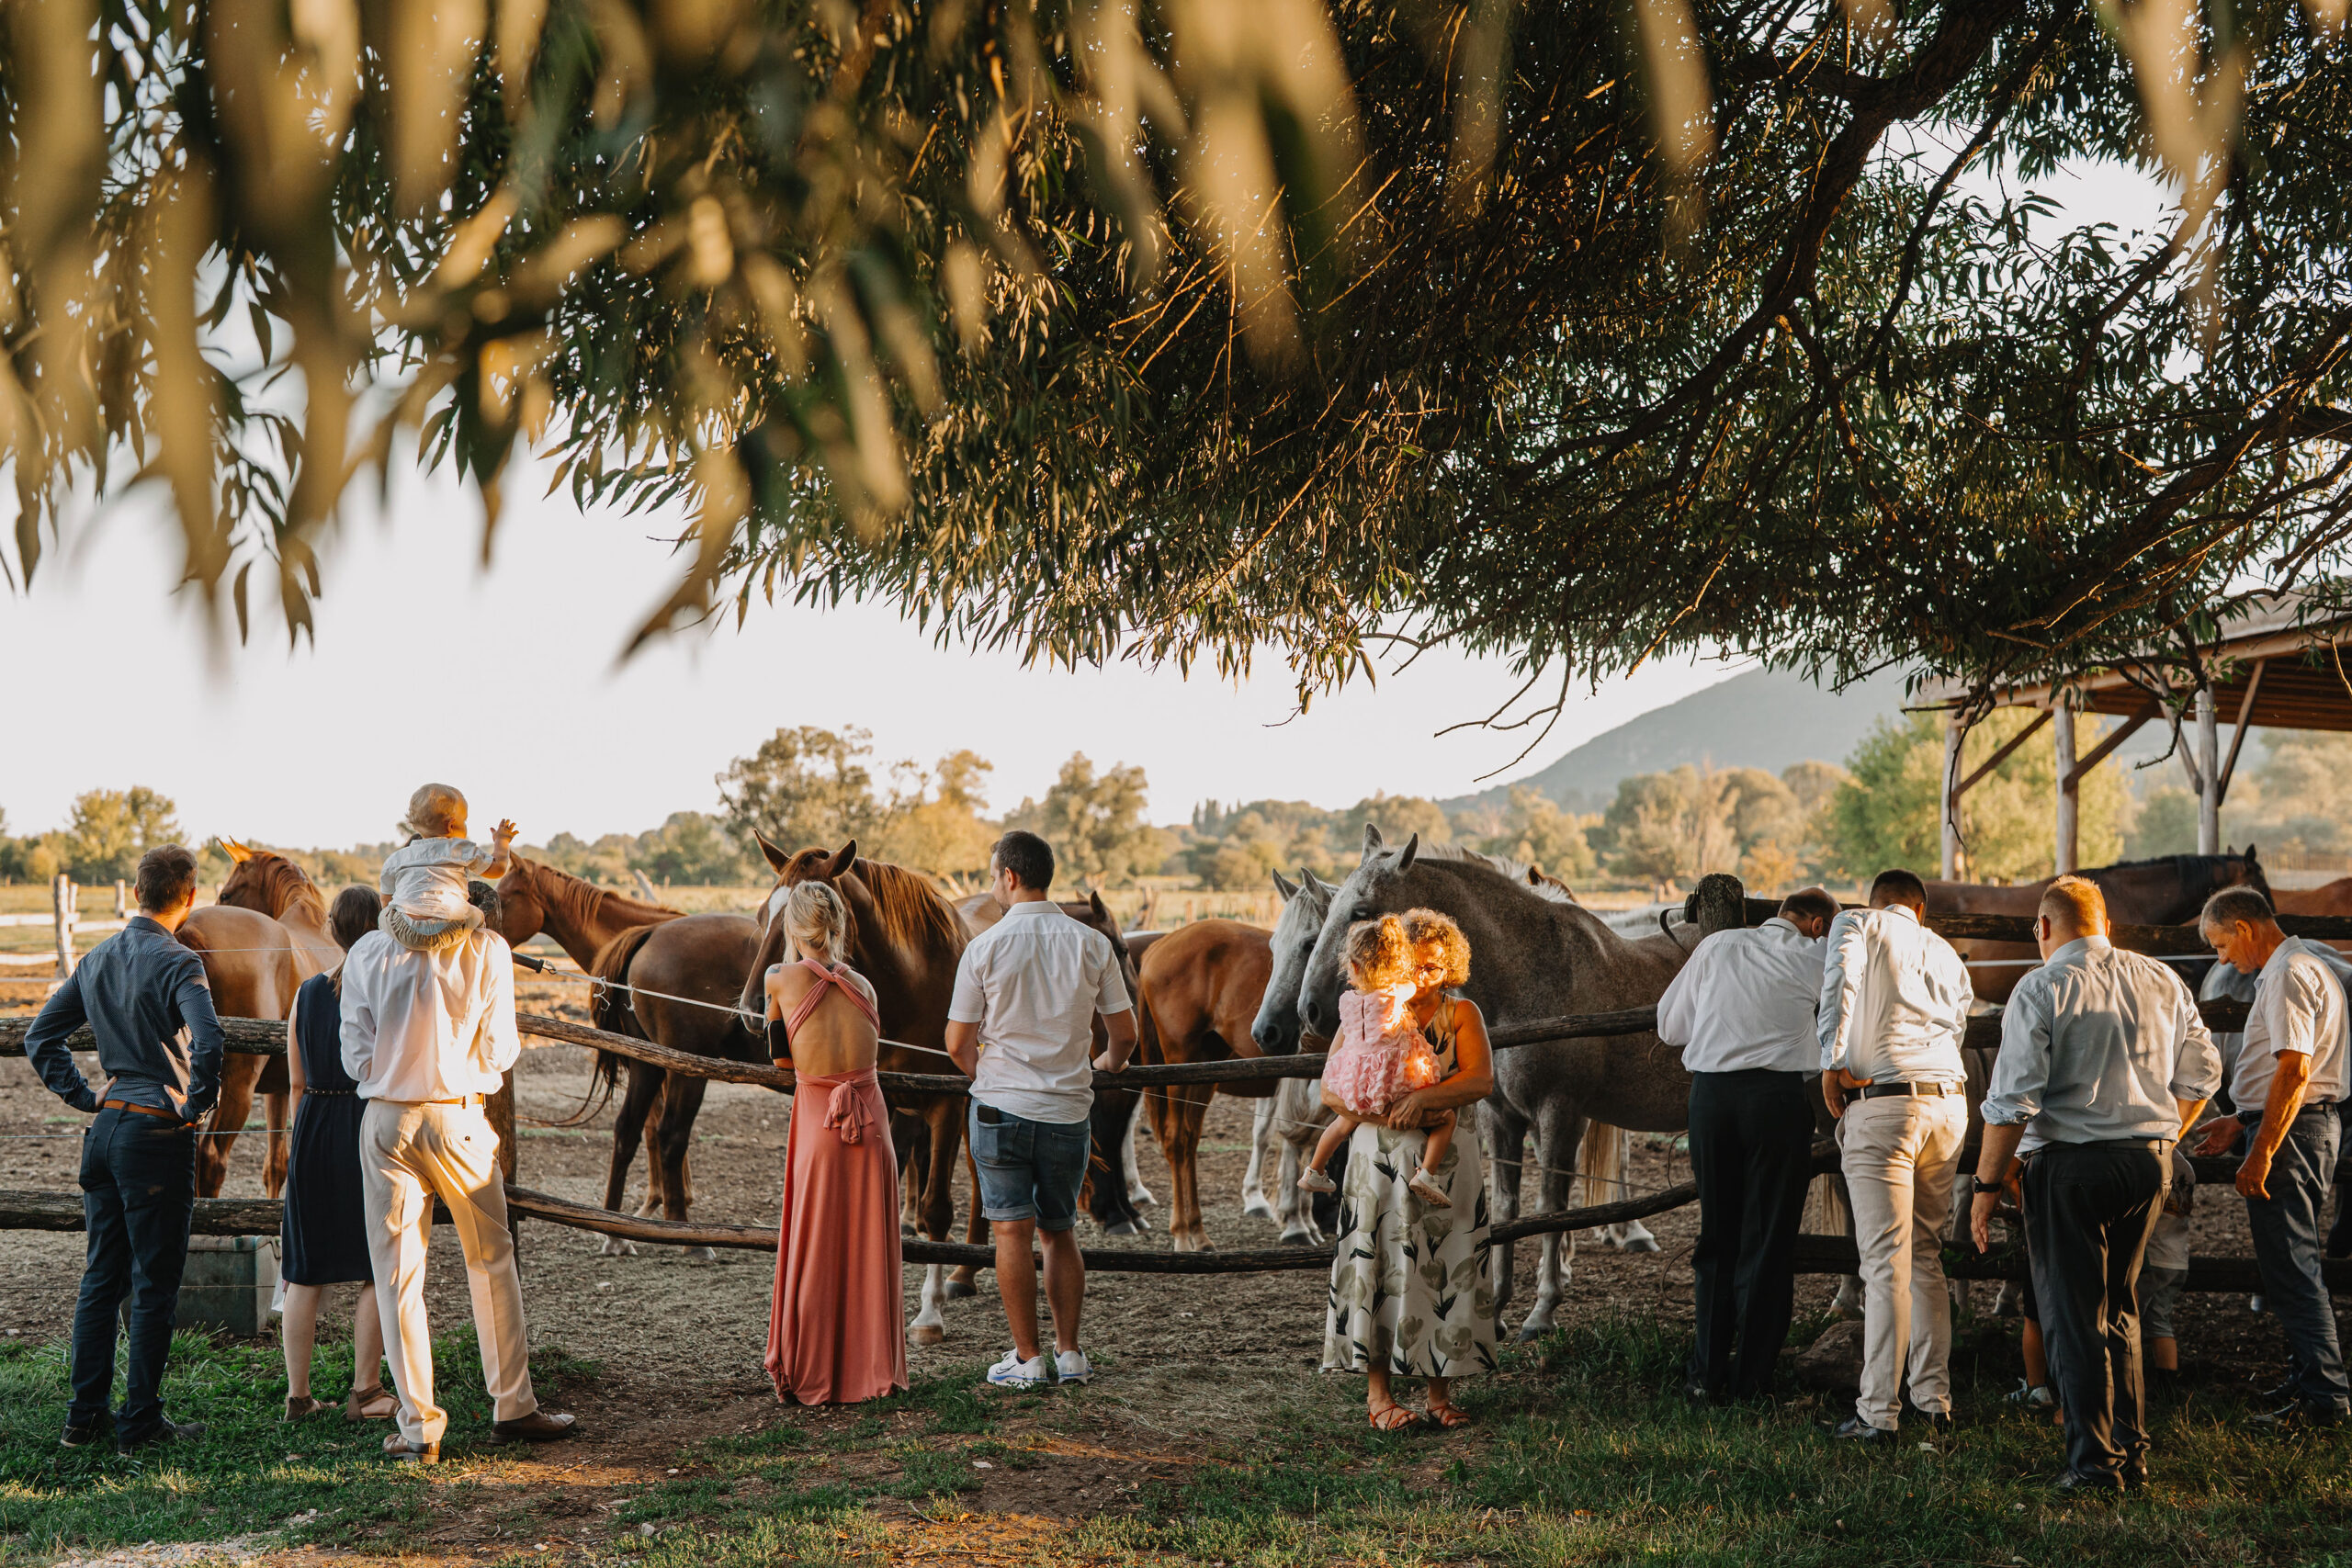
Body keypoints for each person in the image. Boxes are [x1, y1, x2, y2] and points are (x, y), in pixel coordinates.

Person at [1969, 875, 2219, 1492]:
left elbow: (2012, 1101)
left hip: (2070, 1166)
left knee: (2075, 1315)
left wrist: (1987, 1184)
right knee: (2122, 1307)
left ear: (2043, 927)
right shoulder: (2160, 978)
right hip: (2146, 1162)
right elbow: (2203, 1072)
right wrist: (2164, 1135)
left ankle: (2093, 1465)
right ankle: (2131, 1450)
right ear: (2106, 924)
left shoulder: (2042, 985)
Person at [342, 873, 575, 1461]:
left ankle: (419, 1427)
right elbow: (500, 1050)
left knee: (398, 1276)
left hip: (388, 1118)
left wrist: (395, 1070)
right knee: (492, 1260)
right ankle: (513, 1406)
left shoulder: (368, 950)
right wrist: (461, 1062)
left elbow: (355, 1056)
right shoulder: (487, 948)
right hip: (457, 1114)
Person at [22, 845, 224, 1450]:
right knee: (154, 1282)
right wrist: (196, 1102)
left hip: (105, 1131)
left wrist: (84, 1096)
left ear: (137, 891)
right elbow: (210, 1037)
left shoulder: (97, 957)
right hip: (155, 1134)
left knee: (101, 1278)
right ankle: (140, 1422)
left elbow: (40, 1036)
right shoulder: (181, 962)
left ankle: (82, 1419)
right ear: (191, 896)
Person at [944, 830, 1139, 1391]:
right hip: (1068, 1112)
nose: (991, 887)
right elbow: (1125, 1034)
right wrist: (1107, 1063)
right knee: (1060, 1231)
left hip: (1000, 1108)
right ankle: (1070, 1354)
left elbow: (957, 1042)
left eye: (992, 876)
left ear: (1009, 876)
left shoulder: (983, 948)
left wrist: (987, 1077)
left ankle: (1027, 1360)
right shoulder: (1092, 944)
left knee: (1010, 1233)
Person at [1655, 886, 1838, 1405]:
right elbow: (1839, 1024)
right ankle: (1753, 1380)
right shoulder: (1818, 958)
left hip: (1711, 1099)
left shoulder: (1718, 946)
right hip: (1776, 1101)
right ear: (1818, 926)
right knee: (1769, 1238)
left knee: (1717, 1233)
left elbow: (1670, 1026)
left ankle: (1704, 1375)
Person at [1322, 908, 1498, 1431]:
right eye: (1415, 965)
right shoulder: (1367, 1010)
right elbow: (1330, 1089)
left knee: (1443, 1264)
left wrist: (1424, 1099)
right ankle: (1379, 1398)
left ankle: (1439, 1395)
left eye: (1435, 967)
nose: (1423, 976)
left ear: (1450, 968)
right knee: (1379, 1265)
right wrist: (1380, 1113)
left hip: (1446, 1166)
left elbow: (1481, 1080)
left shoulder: (1461, 1013)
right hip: (1377, 1162)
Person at [1818, 866, 1973, 1443]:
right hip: (1948, 1104)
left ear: (1875, 900)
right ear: (1920, 909)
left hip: (1884, 1102)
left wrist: (1832, 1060)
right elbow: (1957, 1025)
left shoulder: (1857, 923)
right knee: (1925, 1254)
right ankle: (1934, 1401)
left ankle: (1877, 1412)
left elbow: (1841, 981)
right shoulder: (1946, 953)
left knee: (1885, 1261)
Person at [2189, 885, 2352, 1427]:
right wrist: (2241, 1120)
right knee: (2291, 1264)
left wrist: (2261, 1150)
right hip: (2300, 1128)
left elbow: (2295, 1069)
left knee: (2293, 1270)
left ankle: (2325, 1399)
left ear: (2244, 928)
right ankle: (2307, 1381)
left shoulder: (2287, 974)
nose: (2222, 960)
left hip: (2291, 1135)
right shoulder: (2301, 966)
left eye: (2221, 945)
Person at [763, 881, 908, 1404]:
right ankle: (872, 1370)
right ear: (840, 926)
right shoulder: (866, 986)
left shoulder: (779, 978)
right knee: (868, 1249)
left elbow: (781, 1059)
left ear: (792, 926)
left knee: (817, 1246)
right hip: (873, 1129)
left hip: (820, 1124)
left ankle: (813, 1369)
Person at [281, 885, 398, 1422]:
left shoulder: (305, 994)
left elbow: (295, 1081)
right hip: (363, 1121)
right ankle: (365, 1392)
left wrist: (297, 1142)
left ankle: (298, 1396)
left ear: (332, 929)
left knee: (305, 1270)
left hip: (312, 1124)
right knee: (377, 1264)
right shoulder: (385, 989)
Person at [1298, 915, 1454, 1208]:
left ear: (1354, 967)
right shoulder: (1396, 994)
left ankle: (1314, 1170)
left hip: (1356, 1081)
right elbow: (1413, 986)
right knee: (1446, 1117)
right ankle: (1427, 1173)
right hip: (1393, 1080)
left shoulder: (1348, 1001)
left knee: (1341, 1124)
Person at [376, 783, 516, 953]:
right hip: (450, 928)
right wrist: (502, 841)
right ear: (451, 826)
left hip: (404, 929)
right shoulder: (461, 849)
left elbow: (386, 899)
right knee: (476, 913)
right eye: (464, 821)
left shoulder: (396, 858)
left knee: (385, 914)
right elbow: (498, 868)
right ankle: (478, 949)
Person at [2142, 1148, 2196, 1396]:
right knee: (2159, 1321)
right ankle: (2167, 1386)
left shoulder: (2153, 1159)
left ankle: (2123, 1380)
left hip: (2152, 1257)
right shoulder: (2185, 1167)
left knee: (2125, 1318)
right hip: (2177, 1260)